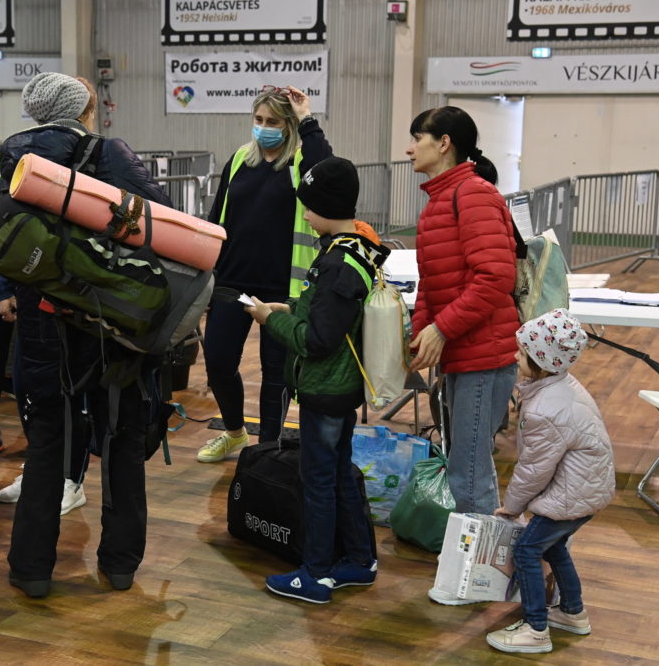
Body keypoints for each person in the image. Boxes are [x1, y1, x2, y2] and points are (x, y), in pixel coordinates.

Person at [0, 72, 171, 596]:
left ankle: (32, 569)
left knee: (48, 438)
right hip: (107, 320)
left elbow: (10, 228)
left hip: (42, 316)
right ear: (83, 109)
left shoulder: (13, 154)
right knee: (119, 434)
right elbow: (158, 217)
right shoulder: (107, 150)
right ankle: (120, 563)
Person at [246, 157, 384, 604]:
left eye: (309, 206)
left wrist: (271, 321)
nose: (304, 215)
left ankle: (317, 574)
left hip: (327, 390)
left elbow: (320, 339)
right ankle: (360, 562)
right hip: (336, 386)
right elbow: (326, 316)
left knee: (319, 480)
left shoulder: (340, 260)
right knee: (338, 472)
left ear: (327, 205)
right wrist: (291, 309)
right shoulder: (351, 246)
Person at [197, 85, 333, 464]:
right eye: (258, 120)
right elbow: (217, 217)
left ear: (288, 125)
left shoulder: (302, 160)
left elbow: (327, 171)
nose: (263, 127)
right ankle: (236, 432)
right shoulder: (241, 157)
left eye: (273, 121)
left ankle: (267, 449)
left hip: (282, 287)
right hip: (233, 282)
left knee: (276, 375)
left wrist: (307, 119)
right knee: (219, 361)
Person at [405, 106, 518, 530]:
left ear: (444, 143)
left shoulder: (472, 194)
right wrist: (423, 332)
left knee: (468, 477)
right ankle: (481, 565)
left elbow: (495, 277)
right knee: (467, 469)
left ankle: (479, 574)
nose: (410, 147)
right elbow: (433, 283)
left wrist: (442, 328)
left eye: (418, 138)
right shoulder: (439, 200)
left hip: (483, 358)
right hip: (463, 354)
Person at [485, 309, 615, 654]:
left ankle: (535, 629)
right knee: (553, 546)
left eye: (521, 352)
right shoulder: (559, 384)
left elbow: (533, 470)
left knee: (527, 550)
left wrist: (511, 508)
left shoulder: (545, 409)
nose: (515, 356)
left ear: (542, 360)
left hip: (571, 495)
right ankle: (572, 612)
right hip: (585, 488)